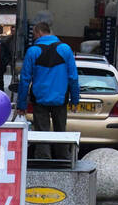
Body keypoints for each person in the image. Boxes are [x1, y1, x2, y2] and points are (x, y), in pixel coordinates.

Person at [15, 12, 79, 159]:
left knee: (41, 132)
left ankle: (43, 160)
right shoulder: (65, 49)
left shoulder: (33, 51)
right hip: (60, 99)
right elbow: (73, 78)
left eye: (33, 34)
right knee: (60, 131)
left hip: (40, 99)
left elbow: (25, 79)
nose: (33, 37)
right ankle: (63, 159)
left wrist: (21, 105)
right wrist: (75, 100)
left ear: (39, 32)